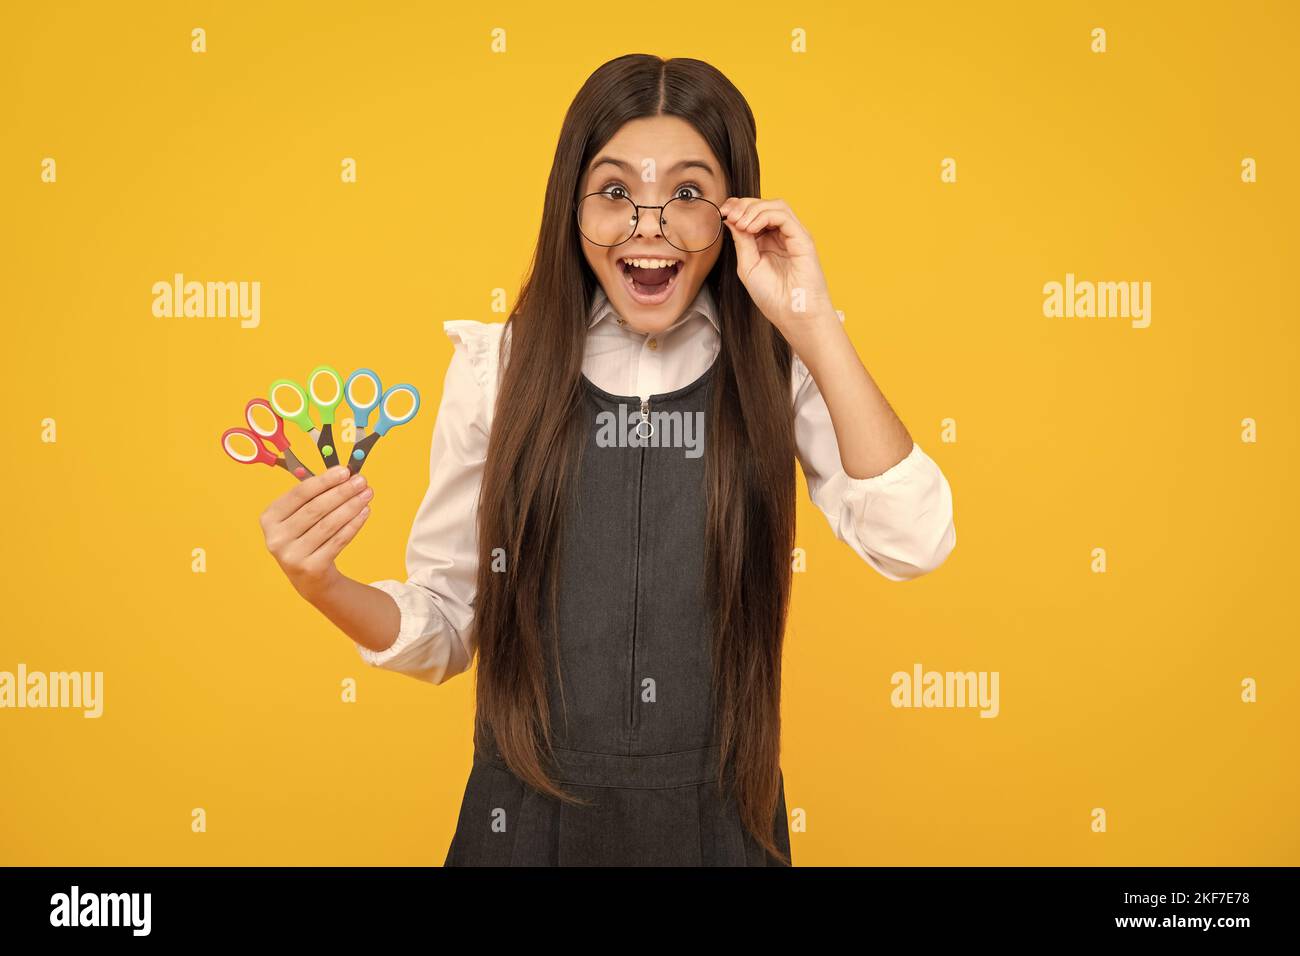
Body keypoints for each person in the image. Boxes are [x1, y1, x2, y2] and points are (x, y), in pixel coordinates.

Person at [258, 54, 956, 866]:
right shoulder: (499, 368)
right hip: (523, 828)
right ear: (573, 206)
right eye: (616, 192)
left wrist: (814, 324)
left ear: (736, 212)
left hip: (720, 829)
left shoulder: (781, 367)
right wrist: (325, 585)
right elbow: (447, 628)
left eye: (688, 194)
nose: (648, 226)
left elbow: (915, 540)